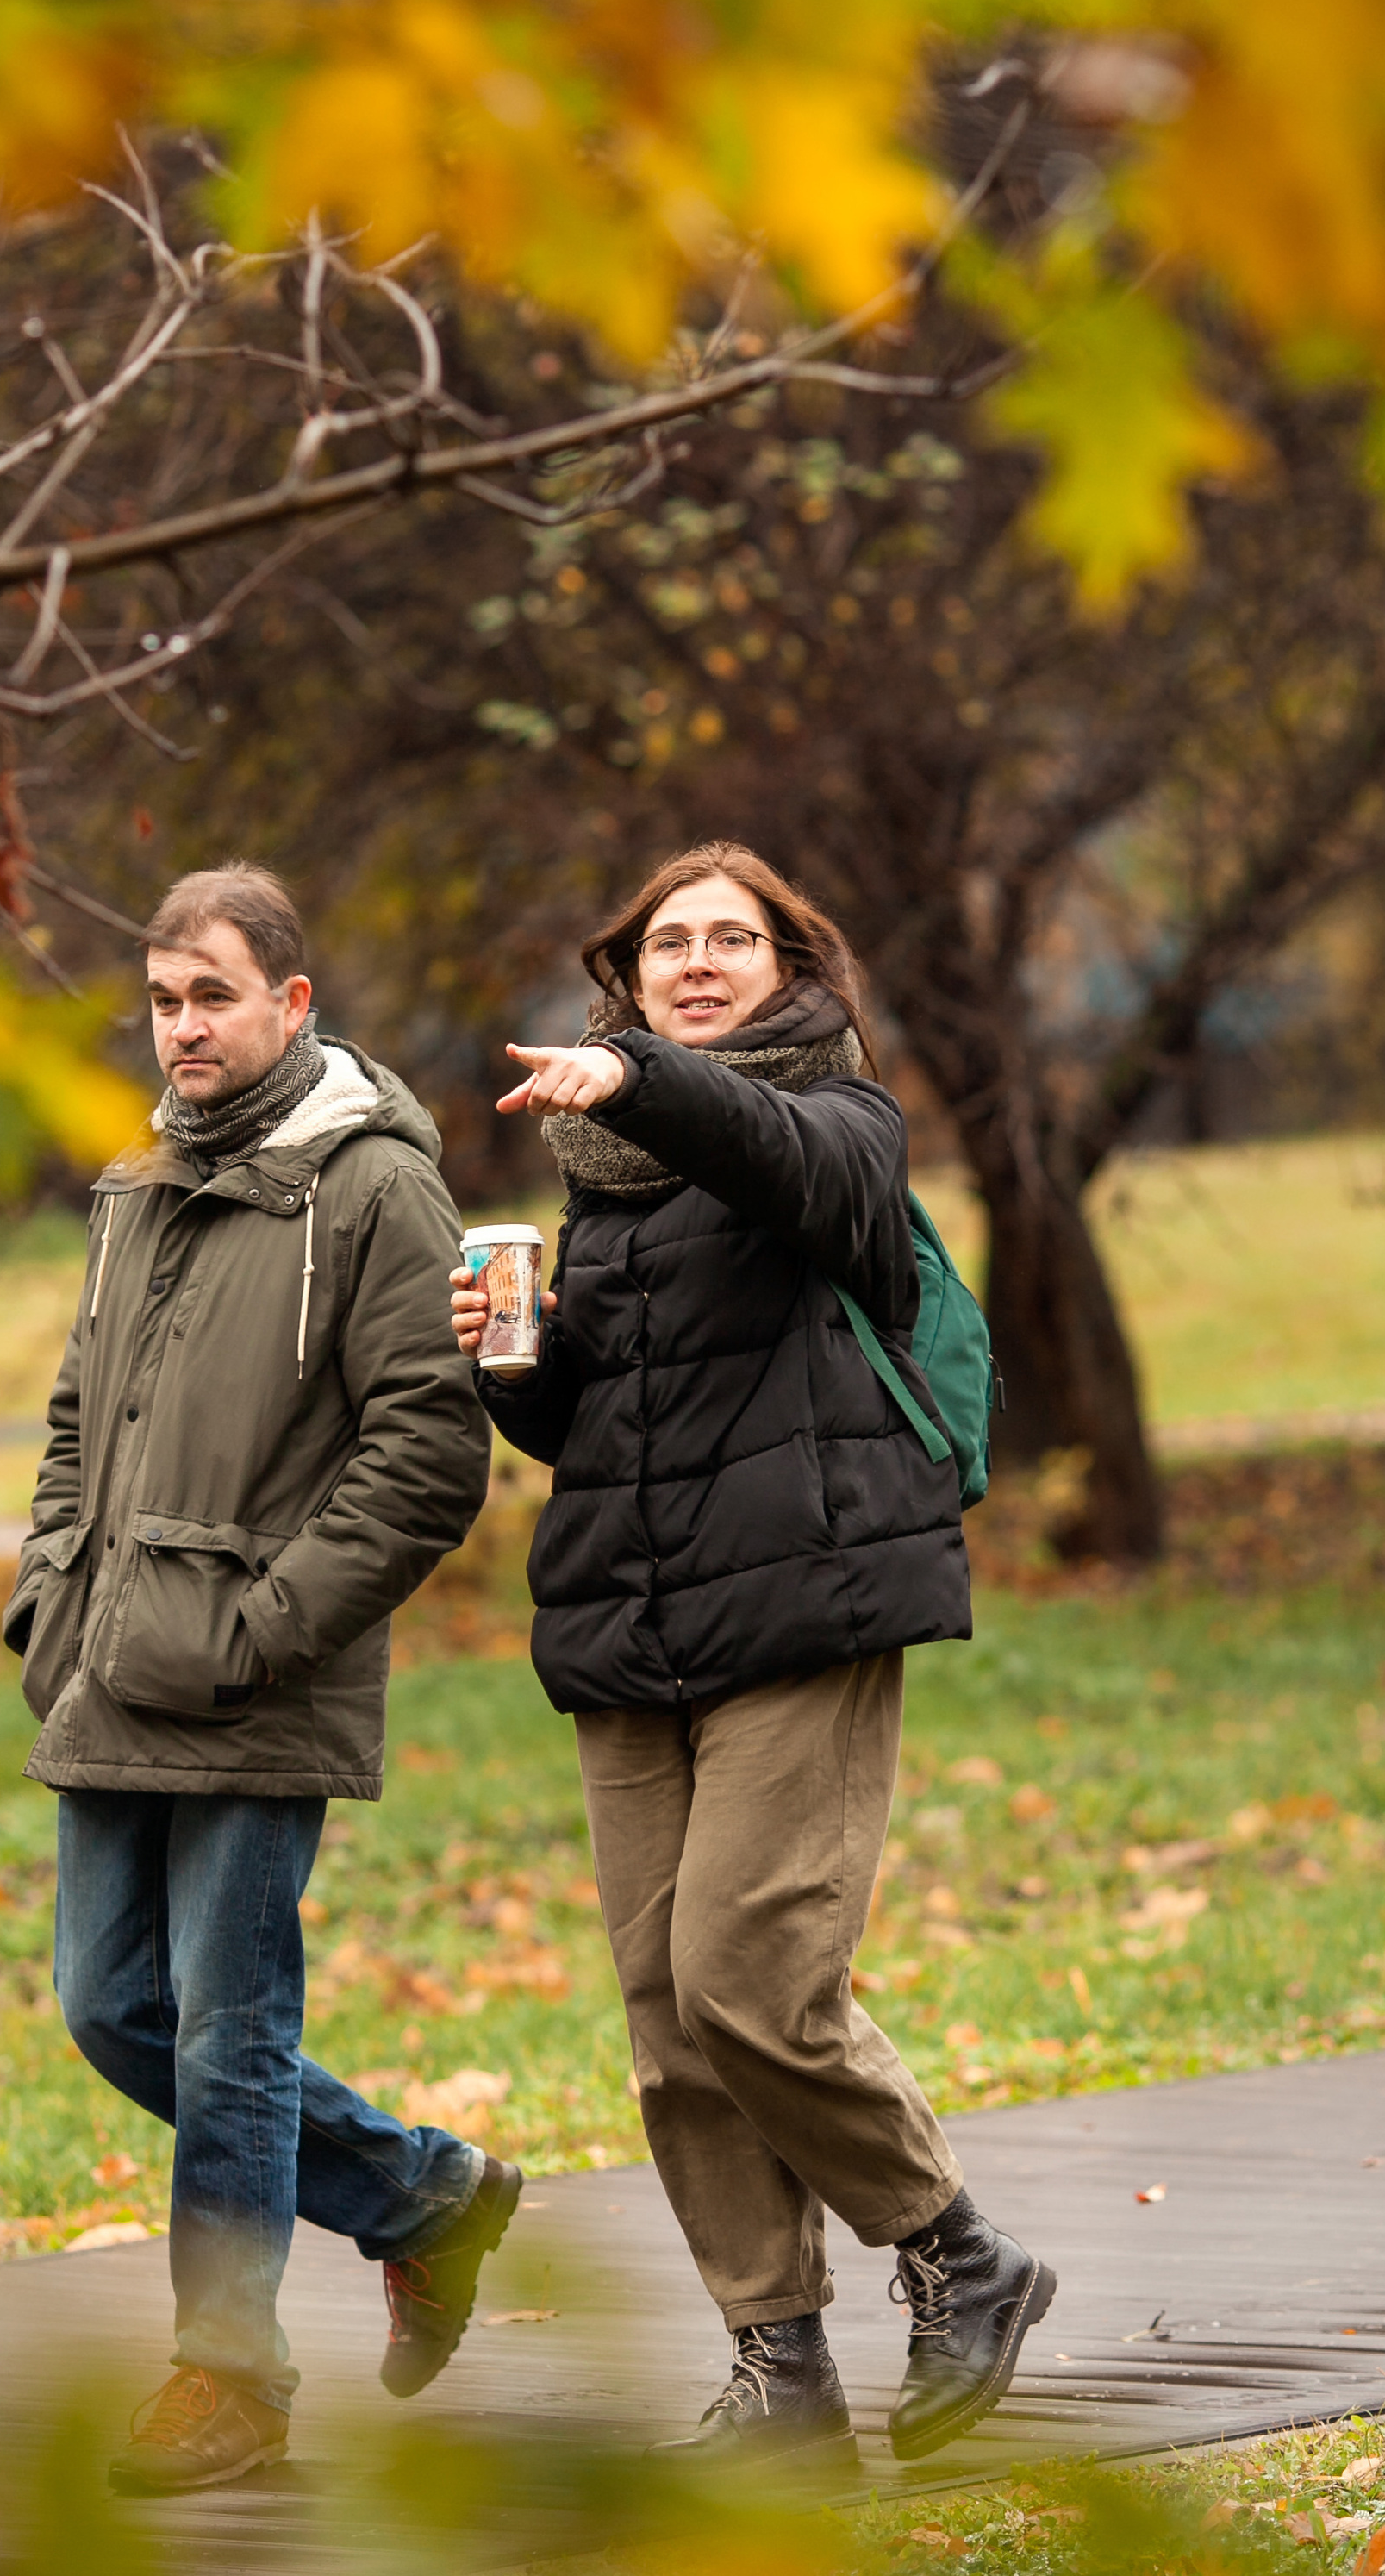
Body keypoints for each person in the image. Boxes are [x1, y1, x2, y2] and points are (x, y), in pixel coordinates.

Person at [451, 841, 1053, 2467]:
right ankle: (777, 2367)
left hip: (806, 1604)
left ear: (792, 968)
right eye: (669, 945)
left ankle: (959, 2253)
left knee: (751, 1979)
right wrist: (513, 1362)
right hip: (632, 1625)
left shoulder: (843, 1125)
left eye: (733, 939)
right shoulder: (605, 1184)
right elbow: (591, 1428)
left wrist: (641, 1081)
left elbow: (770, 1155)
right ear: (630, 976)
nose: (699, 962)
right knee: (670, 2021)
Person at [7, 862, 515, 2497]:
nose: (182, 1028)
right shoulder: (140, 1180)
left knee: (232, 2030)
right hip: (112, 1661)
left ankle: (229, 2376)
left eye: (212, 995)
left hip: (257, 1676)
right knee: (111, 2008)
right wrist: (49, 1584)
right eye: (163, 1000)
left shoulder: (374, 1188)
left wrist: (267, 1628)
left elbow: (428, 1453)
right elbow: (80, 1416)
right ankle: (422, 2196)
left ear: (291, 1002)